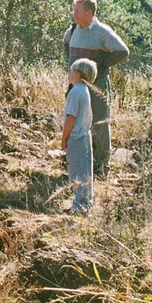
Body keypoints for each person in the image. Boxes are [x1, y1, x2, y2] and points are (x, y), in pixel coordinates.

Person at [63, 0, 129, 178]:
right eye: (74, 11)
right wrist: (71, 66)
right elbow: (66, 44)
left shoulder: (102, 31)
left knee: (99, 123)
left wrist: (100, 66)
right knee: (75, 120)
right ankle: (78, 160)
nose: (73, 14)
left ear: (89, 13)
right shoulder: (73, 29)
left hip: (97, 86)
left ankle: (101, 167)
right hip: (76, 86)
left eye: (77, 11)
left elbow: (123, 52)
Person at [61, 58, 101, 213]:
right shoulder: (84, 89)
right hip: (85, 135)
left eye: (71, 70)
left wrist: (64, 138)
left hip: (76, 137)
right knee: (85, 170)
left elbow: (71, 117)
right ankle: (85, 203)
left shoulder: (75, 91)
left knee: (77, 172)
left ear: (77, 73)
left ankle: (80, 207)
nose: (69, 73)